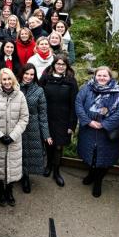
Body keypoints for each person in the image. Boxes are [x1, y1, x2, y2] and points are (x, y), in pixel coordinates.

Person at [75, 67, 119, 198]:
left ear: (110, 77)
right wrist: (88, 121)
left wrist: (104, 124)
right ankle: (91, 174)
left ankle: (98, 181)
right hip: (89, 130)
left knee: (104, 158)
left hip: (106, 132)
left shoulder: (117, 92)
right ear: (95, 76)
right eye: (99, 75)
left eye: (105, 76)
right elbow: (78, 104)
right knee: (89, 155)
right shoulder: (87, 88)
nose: (102, 78)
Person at [40, 54, 79, 187]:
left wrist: (72, 124)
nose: (60, 66)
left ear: (67, 66)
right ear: (53, 65)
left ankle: (56, 171)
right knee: (48, 143)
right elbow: (38, 94)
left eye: (63, 64)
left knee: (58, 145)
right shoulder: (46, 78)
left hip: (63, 119)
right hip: (47, 116)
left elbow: (75, 104)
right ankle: (49, 165)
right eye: (58, 64)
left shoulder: (71, 81)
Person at [0, 69, 29, 207]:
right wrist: (0, 135)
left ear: (13, 80)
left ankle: (9, 191)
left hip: (15, 140)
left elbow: (24, 118)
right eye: (4, 79)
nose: (7, 82)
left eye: (9, 79)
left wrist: (13, 136)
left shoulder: (20, 96)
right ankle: (0, 192)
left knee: (12, 167)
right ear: (0, 81)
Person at [18, 63, 50, 194]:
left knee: (30, 152)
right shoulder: (15, 87)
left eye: (32, 74)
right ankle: (18, 174)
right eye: (26, 74)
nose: (29, 77)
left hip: (33, 125)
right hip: (17, 124)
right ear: (22, 74)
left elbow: (43, 113)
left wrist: (46, 134)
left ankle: (26, 177)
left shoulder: (39, 90)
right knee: (18, 151)